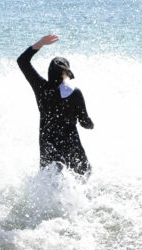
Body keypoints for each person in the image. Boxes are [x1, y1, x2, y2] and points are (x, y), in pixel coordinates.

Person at [17, 34, 94, 177]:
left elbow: (22, 61)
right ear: (65, 73)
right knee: (84, 175)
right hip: (72, 144)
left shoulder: (41, 89)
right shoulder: (75, 93)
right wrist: (90, 123)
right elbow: (84, 122)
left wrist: (40, 43)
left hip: (48, 145)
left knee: (50, 181)